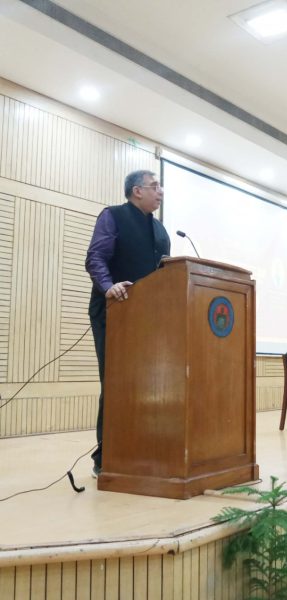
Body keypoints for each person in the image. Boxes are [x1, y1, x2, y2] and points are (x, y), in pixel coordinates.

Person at [85, 170, 171, 477]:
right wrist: (108, 286)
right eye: (155, 186)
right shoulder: (113, 216)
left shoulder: (160, 229)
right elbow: (95, 258)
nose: (160, 191)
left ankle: (142, 447)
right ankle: (106, 456)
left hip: (150, 318)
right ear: (137, 191)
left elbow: (165, 275)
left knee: (148, 384)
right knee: (117, 382)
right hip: (114, 312)